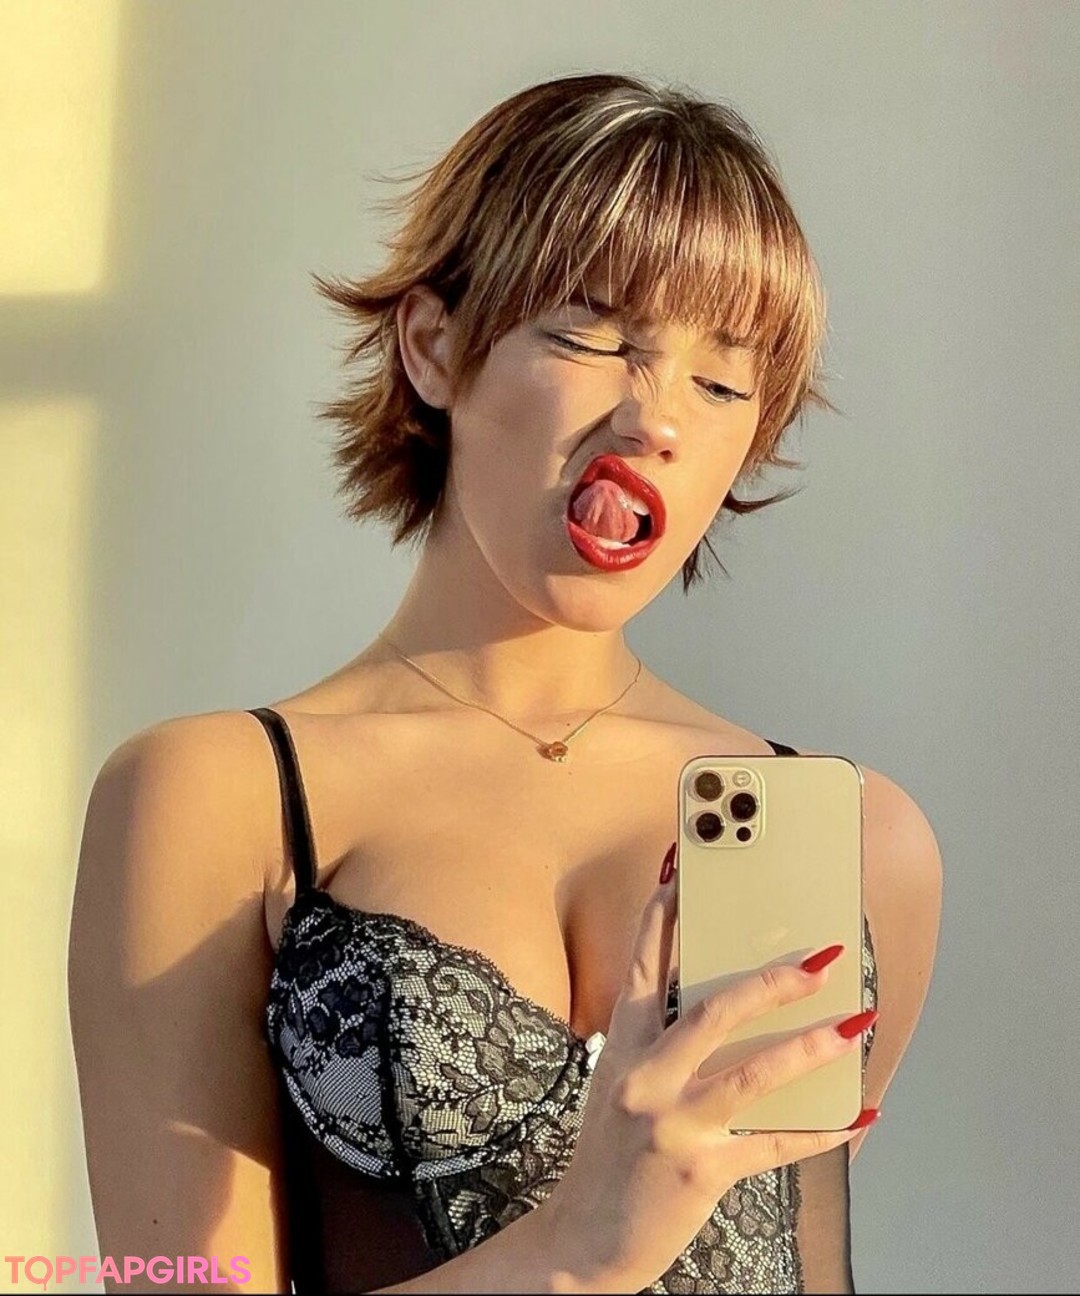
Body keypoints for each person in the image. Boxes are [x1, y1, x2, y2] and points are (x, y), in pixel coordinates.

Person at [68, 72, 942, 1295]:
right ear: (434, 347)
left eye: (722, 380)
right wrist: (583, 1248)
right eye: (595, 337)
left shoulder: (866, 844)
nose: (657, 422)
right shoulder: (214, 796)